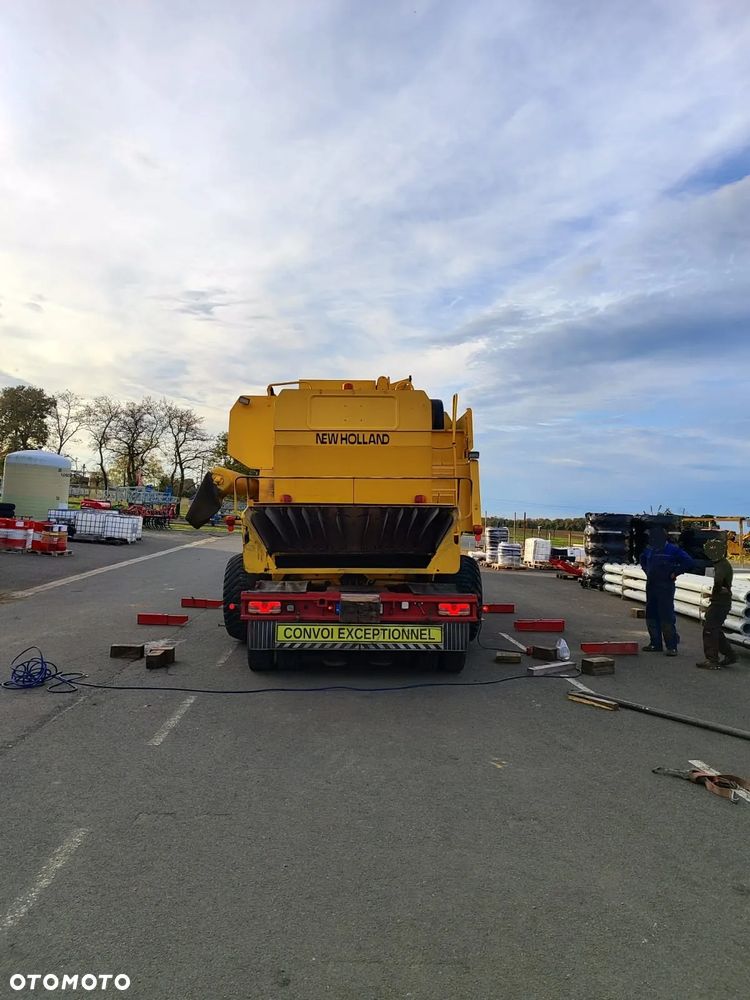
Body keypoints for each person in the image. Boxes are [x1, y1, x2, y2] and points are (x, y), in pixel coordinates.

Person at [639, 526, 694, 655]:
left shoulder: (673, 550)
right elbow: (642, 559)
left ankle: (671, 646)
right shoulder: (650, 549)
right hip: (651, 585)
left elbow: (689, 562)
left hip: (665, 587)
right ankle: (655, 643)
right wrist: (647, 571)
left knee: (666, 615)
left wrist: (676, 573)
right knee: (651, 614)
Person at [696, 537, 738, 669]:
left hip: (720, 602)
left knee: (709, 630)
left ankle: (712, 660)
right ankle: (730, 655)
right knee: (715, 629)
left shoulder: (722, 565)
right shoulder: (722, 564)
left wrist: (715, 592)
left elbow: (719, 581)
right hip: (721, 601)